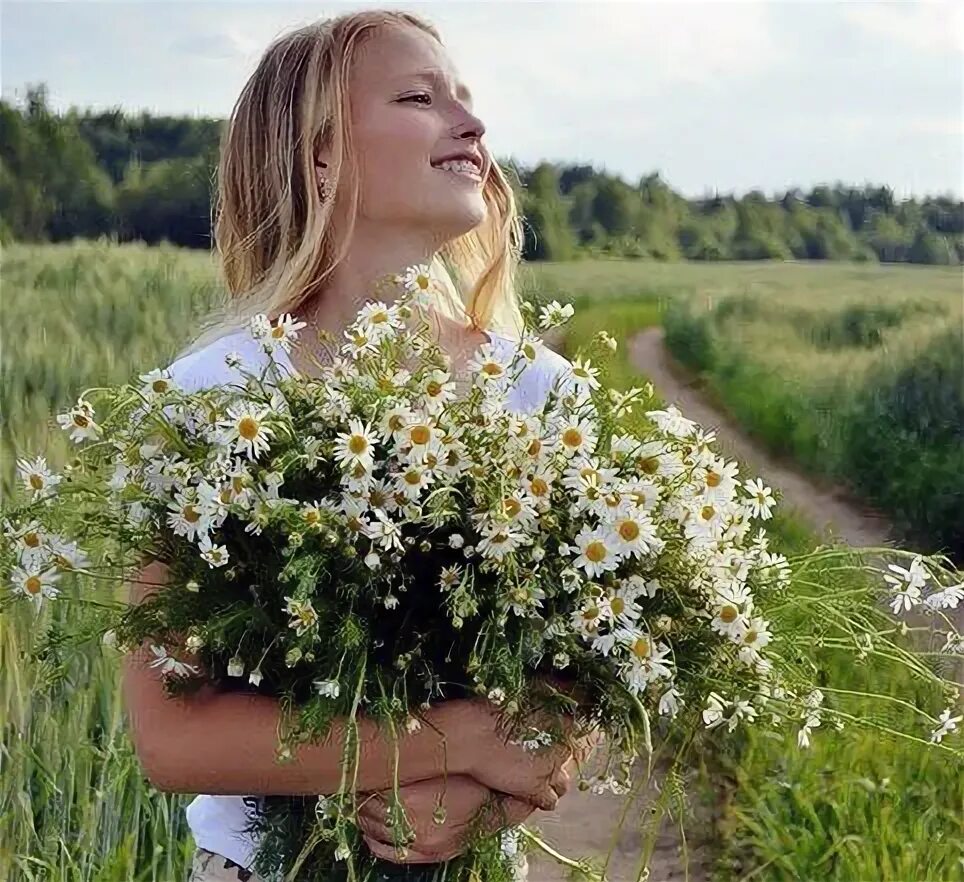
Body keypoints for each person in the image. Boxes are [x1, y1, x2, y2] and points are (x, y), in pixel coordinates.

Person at [121, 8, 594, 882]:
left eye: (467, 98)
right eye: (419, 97)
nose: (473, 124)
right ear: (320, 155)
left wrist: (492, 797)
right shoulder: (209, 400)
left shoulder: (542, 394)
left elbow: (582, 687)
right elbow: (170, 738)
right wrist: (450, 743)